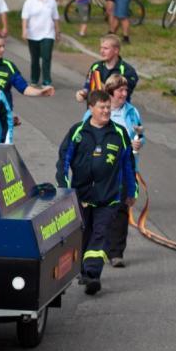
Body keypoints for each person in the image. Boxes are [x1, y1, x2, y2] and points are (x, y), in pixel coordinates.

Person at [56, 89, 136, 295]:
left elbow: (128, 164)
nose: (106, 111)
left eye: (108, 107)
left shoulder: (119, 133)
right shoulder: (78, 132)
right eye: (102, 107)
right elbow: (63, 161)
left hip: (108, 198)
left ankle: (93, 274)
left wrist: (131, 191)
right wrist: (65, 188)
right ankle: (83, 271)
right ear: (91, 108)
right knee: (85, 234)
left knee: (100, 235)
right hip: (81, 197)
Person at [82, 74, 142, 267]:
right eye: (120, 90)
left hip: (123, 170)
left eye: (126, 90)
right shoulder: (92, 114)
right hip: (98, 173)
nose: (124, 94)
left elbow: (141, 135)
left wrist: (138, 143)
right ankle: (94, 250)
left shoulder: (132, 112)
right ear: (110, 92)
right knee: (97, 211)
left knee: (121, 210)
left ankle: (116, 253)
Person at [75, 33, 138, 102]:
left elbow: (124, 94)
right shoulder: (96, 67)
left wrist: (104, 88)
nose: (101, 51)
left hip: (117, 111)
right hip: (96, 110)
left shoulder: (127, 70)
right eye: (101, 48)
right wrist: (83, 93)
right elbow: (88, 87)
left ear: (116, 50)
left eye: (106, 48)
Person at [21, 0, 60, 87]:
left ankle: (46, 81)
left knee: (46, 57)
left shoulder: (51, 1)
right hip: (33, 34)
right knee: (35, 58)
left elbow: (55, 18)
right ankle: (34, 79)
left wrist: (57, 32)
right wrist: (24, 30)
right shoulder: (30, 1)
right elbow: (25, 18)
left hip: (48, 34)